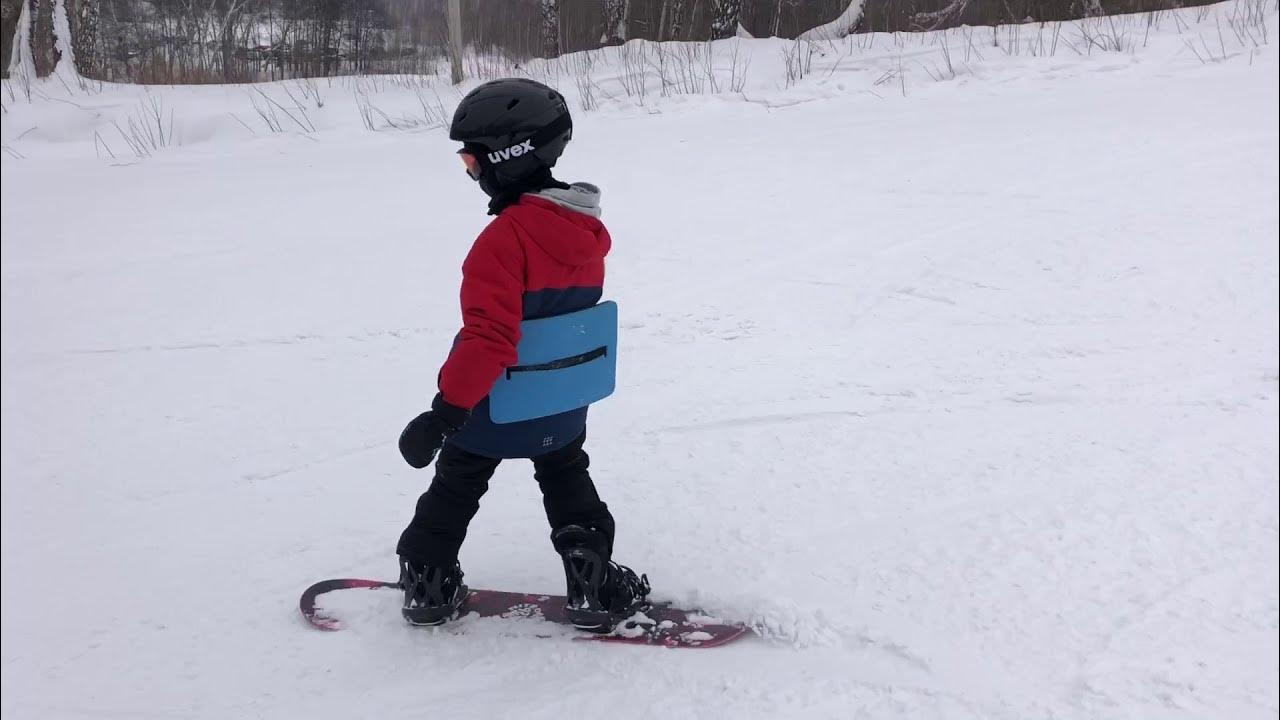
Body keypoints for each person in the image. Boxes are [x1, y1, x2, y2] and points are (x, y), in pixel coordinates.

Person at [394, 78, 649, 631]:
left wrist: (444, 413)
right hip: (559, 404)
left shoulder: (503, 241)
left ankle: (427, 580)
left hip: (491, 407)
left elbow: (490, 339)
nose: (470, 173)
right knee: (565, 473)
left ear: (505, 157)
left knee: (457, 481)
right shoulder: (584, 231)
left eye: (470, 160)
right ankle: (592, 581)